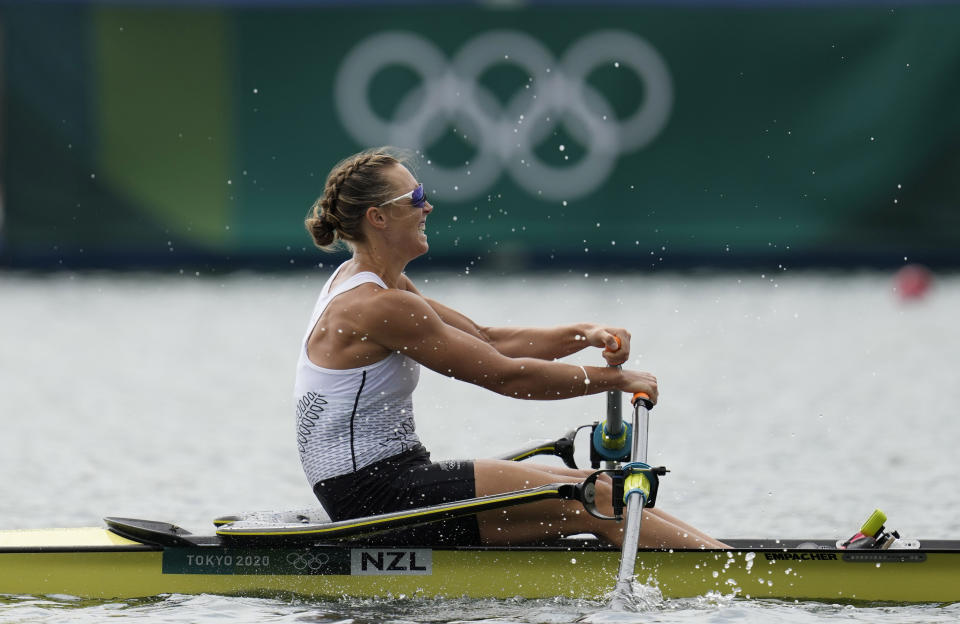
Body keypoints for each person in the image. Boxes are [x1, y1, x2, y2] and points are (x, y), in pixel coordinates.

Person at [296, 147, 726, 550]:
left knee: (599, 485)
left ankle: (724, 557)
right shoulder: (375, 306)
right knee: (596, 499)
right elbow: (506, 375)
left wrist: (586, 332)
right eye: (417, 196)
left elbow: (486, 338)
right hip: (373, 499)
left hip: (392, 477)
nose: (428, 207)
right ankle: (738, 579)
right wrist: (616, 379)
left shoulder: (375, 283)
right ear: (378, 217)